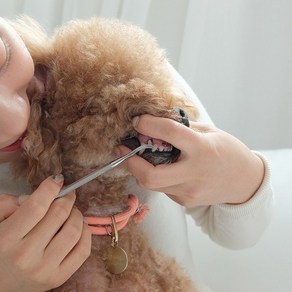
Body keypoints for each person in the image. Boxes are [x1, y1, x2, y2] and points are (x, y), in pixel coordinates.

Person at [0, 17, 273, 291]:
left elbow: (241, 236)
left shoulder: (109, 64)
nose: (15, 118)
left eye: (0, 60)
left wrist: (242, 176)